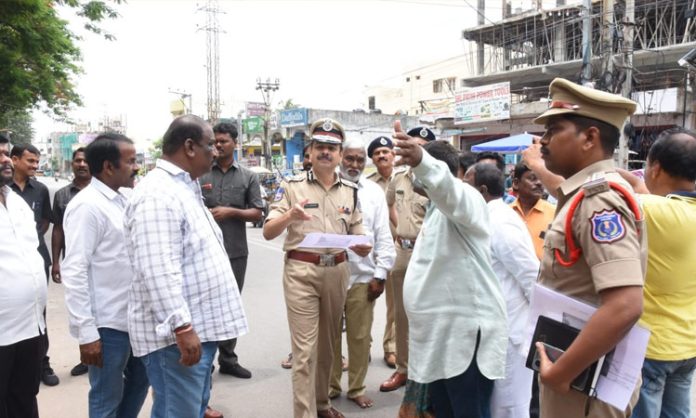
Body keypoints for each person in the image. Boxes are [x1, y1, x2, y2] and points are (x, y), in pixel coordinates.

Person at [530, 78, 646, 418]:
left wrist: (561, 372)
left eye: (554, 130)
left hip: (584, 380)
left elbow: (625, 305)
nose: (544, 141)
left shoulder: (600, 202)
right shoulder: (584, 195)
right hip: (578, 366)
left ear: (590, 138)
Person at [124, 115, 248, 418]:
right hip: (177, 339)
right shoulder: (158, 194)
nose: (215, 152)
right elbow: (157, 268)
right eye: (210, 146)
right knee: (177, 412)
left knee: (188, 409)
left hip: (197, 331)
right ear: (189, 147)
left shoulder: (184, 186)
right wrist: (182, 326)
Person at [393, 127, 508, 417]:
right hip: (439, 342)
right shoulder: (434, 210)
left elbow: (447, 187)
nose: (412, 178)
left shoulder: (467, 199)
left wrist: (421, 159)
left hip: (464, 343)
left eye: (416, 171)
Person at [263, 118, 370, 418]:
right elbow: (269, 231)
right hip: (302, 273)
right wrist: (290, 216)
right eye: (319, 147)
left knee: (327, 348)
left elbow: (358, 230)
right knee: (305, 352)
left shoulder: (351, 190)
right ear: (309, 152)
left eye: (331, 148)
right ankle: (305, 413)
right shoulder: (291, 187)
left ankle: (322, 403)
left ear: (339, 154)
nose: (326, 152)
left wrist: (362, 244)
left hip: (337, 271)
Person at [61, 133, 149, 418]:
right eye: (131, 161)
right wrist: (86, 333)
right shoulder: (87, 206)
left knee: (139, 385)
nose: (135, 167)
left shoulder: (124, 198)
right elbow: (74, 271)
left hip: (134, 320)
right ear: (109, 167)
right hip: (107, 326)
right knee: (105, 398)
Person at [463, 163, 539, 418]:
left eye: (466, 185)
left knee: (511, 406)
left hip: (511, 331)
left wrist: (534, 325)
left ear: (482, 190)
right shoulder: (486, 218)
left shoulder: (501, 221)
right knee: (498, 404)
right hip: (493, 328)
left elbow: (530, 274)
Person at [329, 139, 396, 409]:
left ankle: (356, 388)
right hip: (330, 275)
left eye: (359, 160)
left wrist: (380, 274)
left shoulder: (373, 192)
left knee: (359, 338)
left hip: (362, 278)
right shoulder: (326, 188)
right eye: (350, 159)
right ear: (340, 158)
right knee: (330, 337)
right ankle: (331, 386)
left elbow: (383, 236)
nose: (354, 165)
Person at [199, 122, 264, 379]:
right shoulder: (201, 174)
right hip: (203, 252)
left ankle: (228, 358)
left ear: (235, 143)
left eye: (223, 141)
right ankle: (205, 361)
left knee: (232, 304)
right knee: (205, 305)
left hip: (235, 251)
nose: (218, 145)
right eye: (215, 141)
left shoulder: (248, 176)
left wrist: (231, 212)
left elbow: (258, 211)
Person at [380, 126, 433, 393]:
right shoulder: (398, 177)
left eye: (423, 145)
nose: (417, 148)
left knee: (428, 316)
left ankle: (425, 375)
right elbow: (388, 203)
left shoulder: (436, 180)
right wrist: (400, 227)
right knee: (401, 315)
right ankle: (403, 370)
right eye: (414, 143)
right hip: (402, 252)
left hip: (429, 255)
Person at [0, 134, 48, 418]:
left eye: (6, 153)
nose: (6, 160)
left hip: (31, 326)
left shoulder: (17, 203)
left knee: (25, 398)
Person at [9, 143, 57, 387]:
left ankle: (42, 364)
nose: (35, 166)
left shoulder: (40, 189)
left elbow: (46, 220)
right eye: (30, 161)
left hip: (38, 262)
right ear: (15, 159)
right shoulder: (4, 189)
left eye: (37, 162)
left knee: (39, 313)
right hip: (8, 270)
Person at [50, 147, 91, 377]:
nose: (82, 164)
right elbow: (57, 229)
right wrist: (56, 262)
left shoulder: (102, 190)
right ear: (72, 164)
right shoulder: (63, 195)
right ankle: (86, 356)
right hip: (75, 262)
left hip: (102, 263)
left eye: (86, 160)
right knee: (79, 308)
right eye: (78, 160)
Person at [365, 135, 398, 369]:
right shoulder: (367, 183)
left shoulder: (407, 180)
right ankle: (362, 347)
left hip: (398, 249)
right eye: (377, 153)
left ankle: (391, 348)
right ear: (373, 159)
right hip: (370, 251)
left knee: (395, 304)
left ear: (393, 155)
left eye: (386, 152)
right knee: (364, 302)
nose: (382, 155)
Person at [509, 162, 555, 260]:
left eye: (541, 178)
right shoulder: (506, 213)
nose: (539, 183)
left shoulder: (555, 213)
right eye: (533, 178)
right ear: (516, 183)